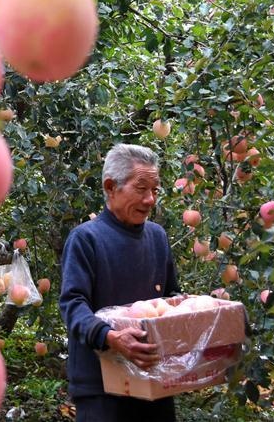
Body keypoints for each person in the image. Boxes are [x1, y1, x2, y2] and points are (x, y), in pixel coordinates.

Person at [59, 143, 180, 422]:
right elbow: (73, 304)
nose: (150, 199)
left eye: (155, 190)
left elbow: (172, 298)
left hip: (152, 380)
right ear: (111, 187)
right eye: (141, 189)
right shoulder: (85, 239)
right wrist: (111, 338)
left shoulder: (157, 237)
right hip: (102, 388)